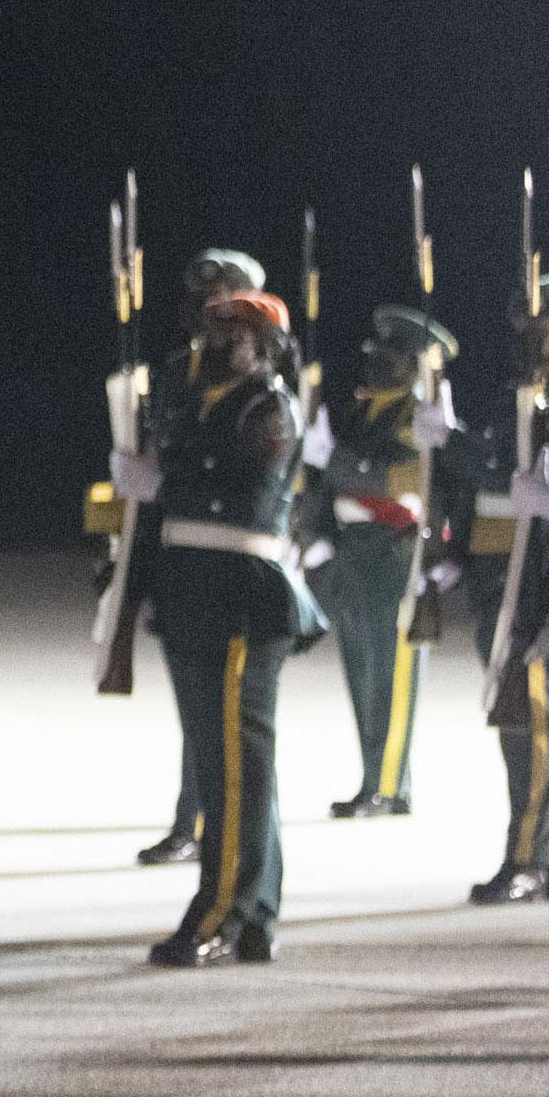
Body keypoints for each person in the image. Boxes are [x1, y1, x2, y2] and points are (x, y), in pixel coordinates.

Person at [127, 290, 322, 966]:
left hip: (242, 597)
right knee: (223, 767)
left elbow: (239, 490)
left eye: (234, 333)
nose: (216, 343)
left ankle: (220, 912)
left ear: (266, 346)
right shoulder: (194, 402)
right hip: (191, 594)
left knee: (238, 765)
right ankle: (255, 909)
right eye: (212, 330)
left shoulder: (270, 408)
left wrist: (163, 478)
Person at [453, 276, 549, 902]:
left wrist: (482, 448)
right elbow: (487, 472)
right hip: (499, 573)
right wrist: (450, 440)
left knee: (536, 718)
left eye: (538, 325)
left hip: (539, 574)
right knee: (520, 716)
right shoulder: (520, 392)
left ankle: (532, 860)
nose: (525, 336)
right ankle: (545, 852)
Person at [131, 249, 269, 866]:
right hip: (177, 550)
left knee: (224, 717)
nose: (208, 314)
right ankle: (193, 814)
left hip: (232, 553)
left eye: (223, 302)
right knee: (193, 703)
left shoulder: (260, 387)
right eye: (203, 301)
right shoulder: (174, 371)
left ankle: (205, 820)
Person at [305, 305, 458, 817]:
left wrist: (333, 460)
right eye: (378, 354)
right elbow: (326, 484)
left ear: (417, 366)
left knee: (393, 676)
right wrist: (317, 536)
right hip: (353, 552)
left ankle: (390, 785)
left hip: (396, 553)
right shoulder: (361, 411)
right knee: (362, 671)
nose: (379, 363)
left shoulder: (420, 418)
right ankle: (373, 776)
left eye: (394, 358)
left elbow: (391, 481)